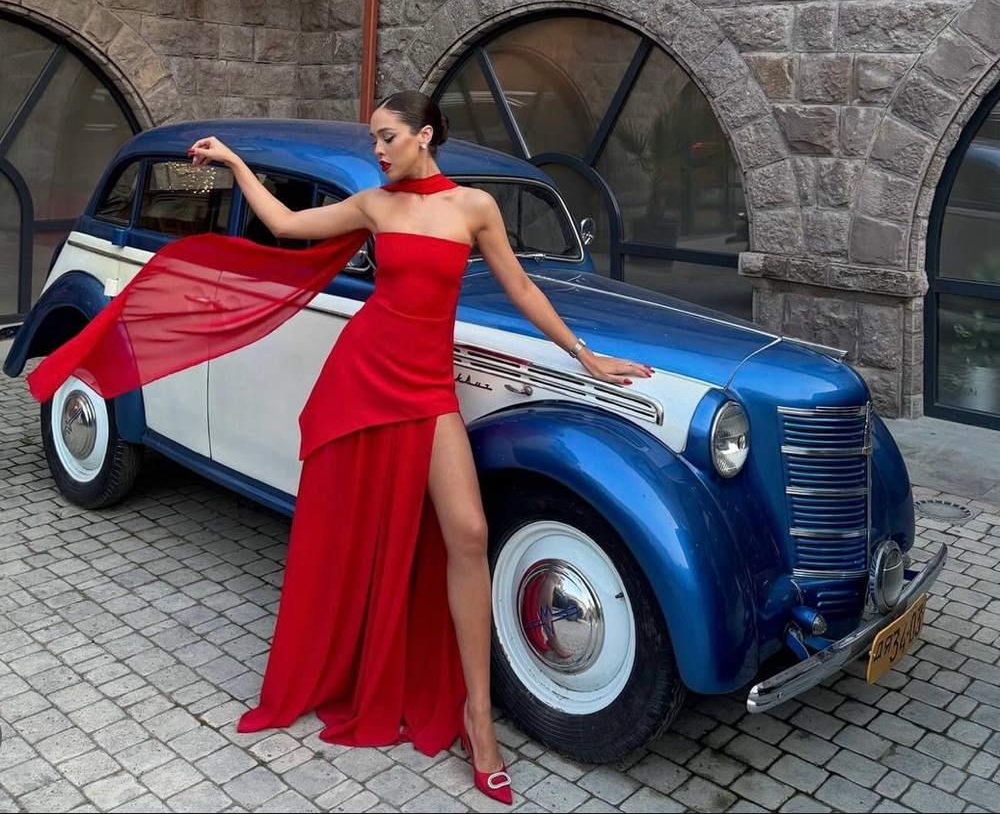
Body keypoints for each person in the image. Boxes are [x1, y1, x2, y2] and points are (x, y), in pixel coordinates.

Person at [29, 91, 652, 805]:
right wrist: (233, 164)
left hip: (426, 387)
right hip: (363, 377)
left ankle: (479, 718)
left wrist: (584, 355)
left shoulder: (473, 208)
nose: (378, 150)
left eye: (387, 137)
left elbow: (520, 290)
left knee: (470, 533)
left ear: (424, 136)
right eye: (373, 139)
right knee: (349, 527)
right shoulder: (375, 206)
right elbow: (288, 222)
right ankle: (395, 686)